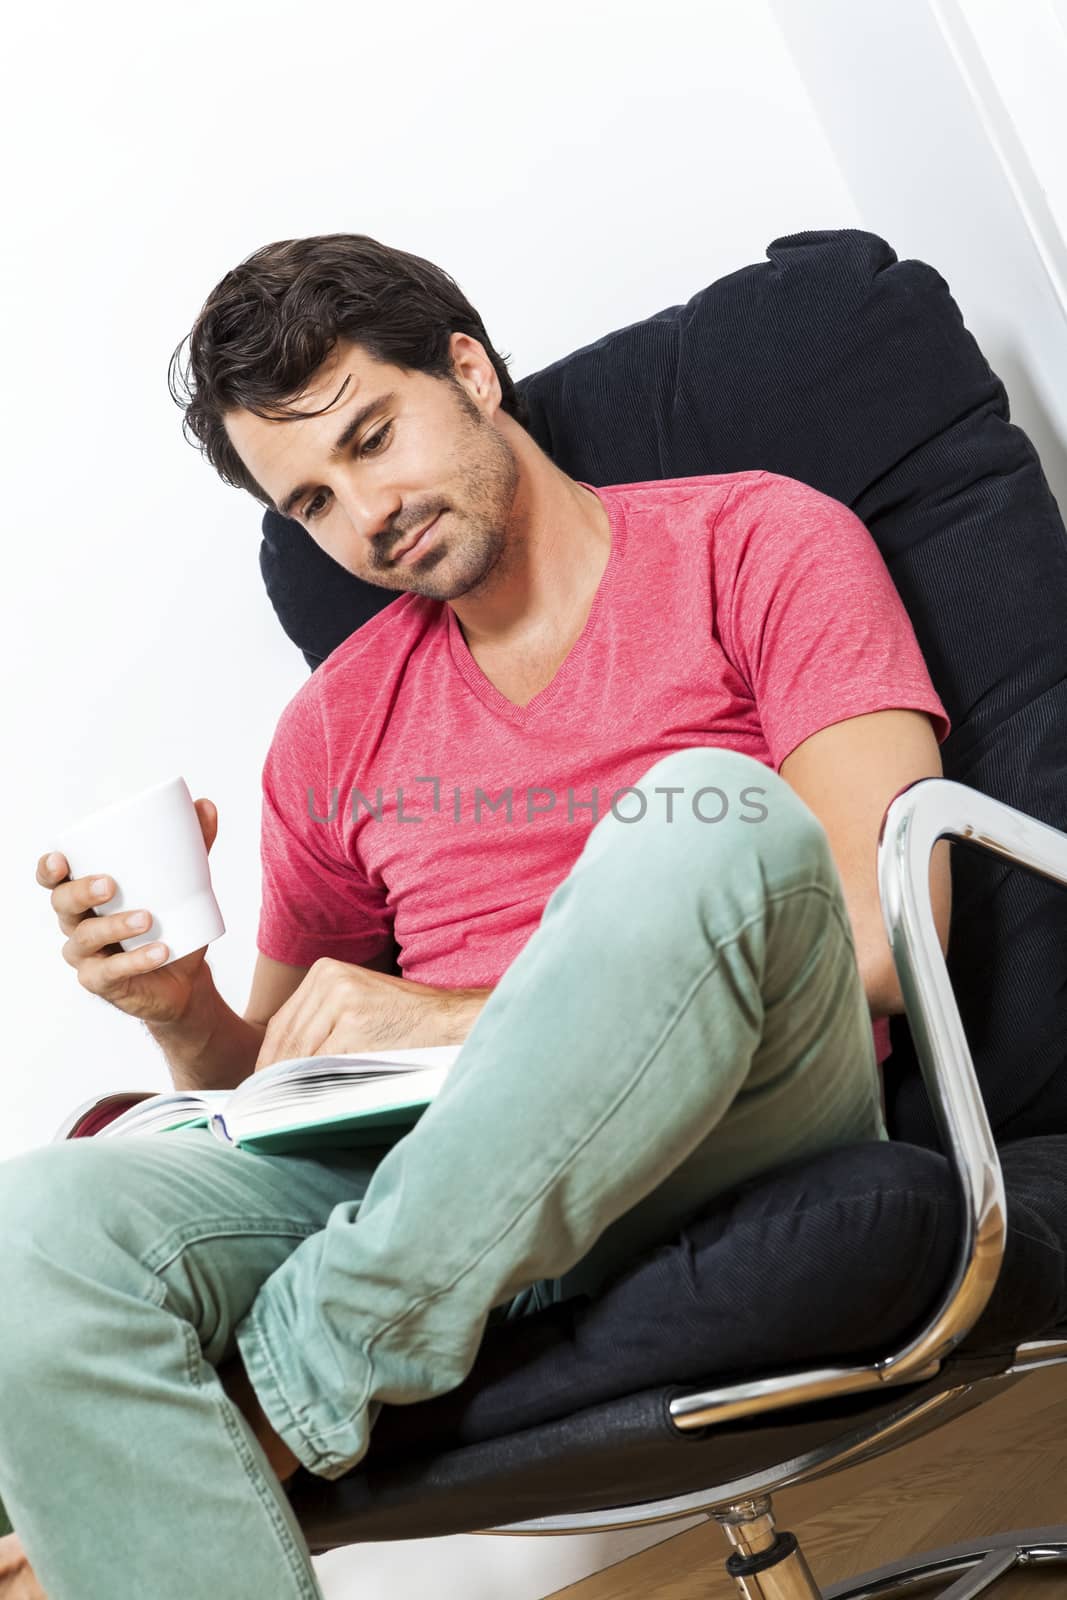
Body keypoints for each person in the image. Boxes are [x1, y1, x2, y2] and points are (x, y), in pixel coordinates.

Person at [2, 233, 952, 1599]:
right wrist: (183, 1014)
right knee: (29, 1230)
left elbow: (884, 936)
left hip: (735, 1111)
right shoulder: (334, 725)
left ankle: (293, 1393)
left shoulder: (759, 542)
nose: (366, 513)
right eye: (315, 501)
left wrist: (462, 1021)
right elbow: (269, 1094)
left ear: (470, 368)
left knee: (703, 816)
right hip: (434, 1178)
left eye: (376, 438)